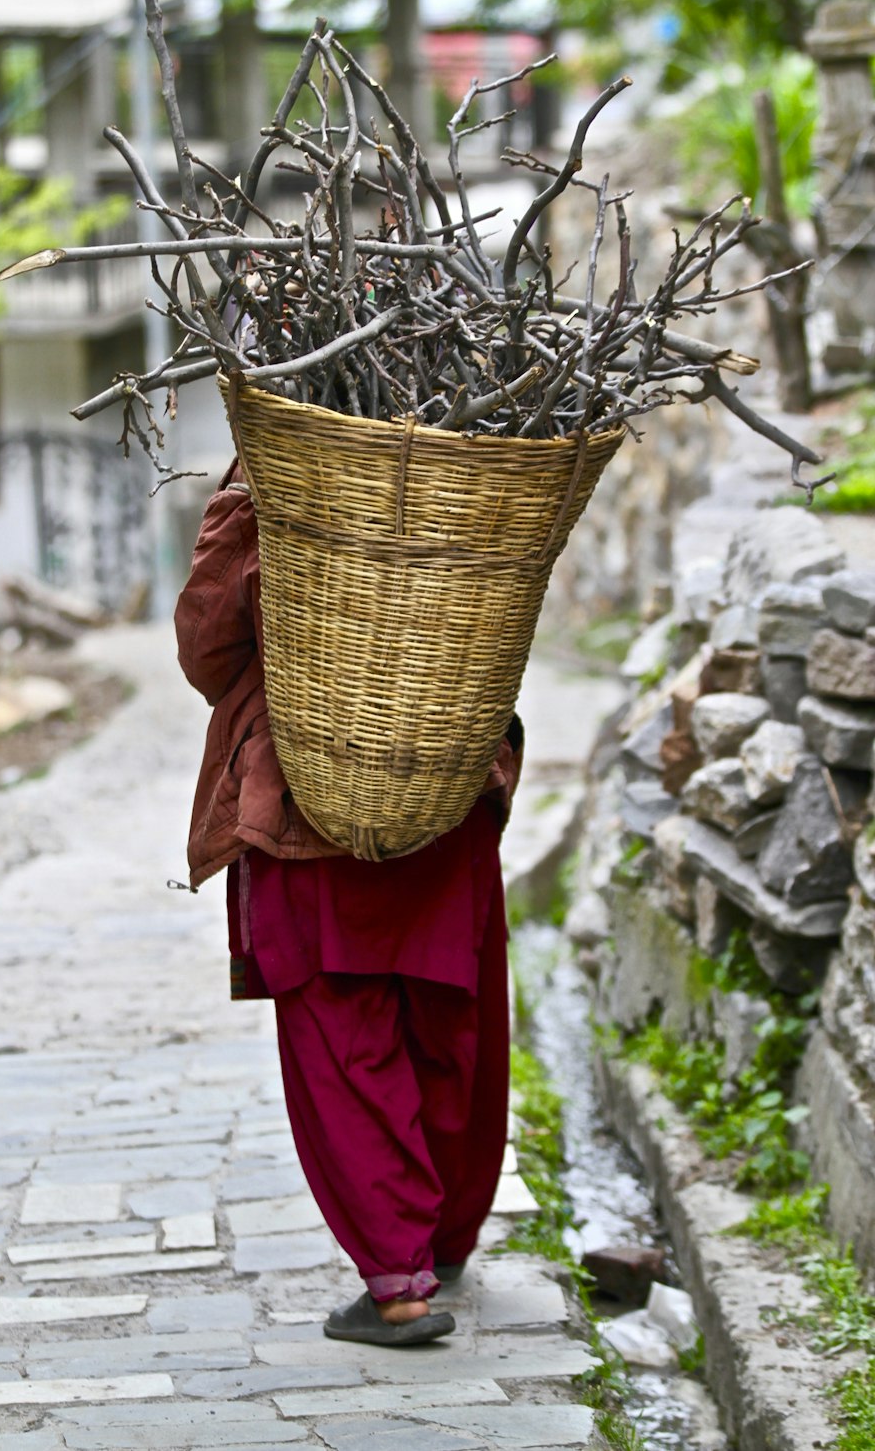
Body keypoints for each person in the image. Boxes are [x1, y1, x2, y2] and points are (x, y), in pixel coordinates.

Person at [175, 455, 522, 1346]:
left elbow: (209, 646)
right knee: (455, 1026)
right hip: (448, 779)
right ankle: (438, 1244)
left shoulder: (272, 478)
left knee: (343, 1039)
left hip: (310, 795)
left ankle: (401, 1283)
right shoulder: (480, 458)